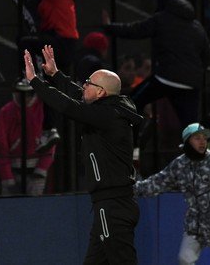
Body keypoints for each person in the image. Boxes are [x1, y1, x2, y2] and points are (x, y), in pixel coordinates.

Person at [24, 45, 143, 264]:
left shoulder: (108, 115)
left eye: (89, 83)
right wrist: (55, 75)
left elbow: (69, 107)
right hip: (109, 203)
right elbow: (78, 96)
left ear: (101, 92)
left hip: (112, 205)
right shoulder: (109, 108)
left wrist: (35, 81)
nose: (84, 85)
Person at [102, 0, 210, 128]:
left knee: (132, 104)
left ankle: (132, 144)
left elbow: (135, 30)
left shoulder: (162, 18)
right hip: (191, 84)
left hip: (166, 77)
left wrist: (109, 27)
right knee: (191, 126)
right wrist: (196, 74)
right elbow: (206, 55)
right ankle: (196, 149)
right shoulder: (197, 26)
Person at [134, 123, 210, 265]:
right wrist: (131, 190)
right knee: (185, 259)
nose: (202, 142)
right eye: (197, 138)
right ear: (187, 141)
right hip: (195, 225)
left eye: (204, 138)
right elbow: (157, 182)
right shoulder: (180, 164)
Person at [0, 79, 56, 196]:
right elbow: (2, 146)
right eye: (20, 92)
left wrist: (41, 170)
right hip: (13, 169)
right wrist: (8, 178)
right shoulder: (6, 112)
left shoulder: (43, 109)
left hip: (36, 172)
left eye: (28, 94)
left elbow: (50, 141)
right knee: (10, 208)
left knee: (34, 208)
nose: (23, 96)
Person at [27, 0, 79, 72]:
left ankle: (29, 76)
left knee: (25, 41)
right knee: (56, 77)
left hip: (61, 41)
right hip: (65, 42)